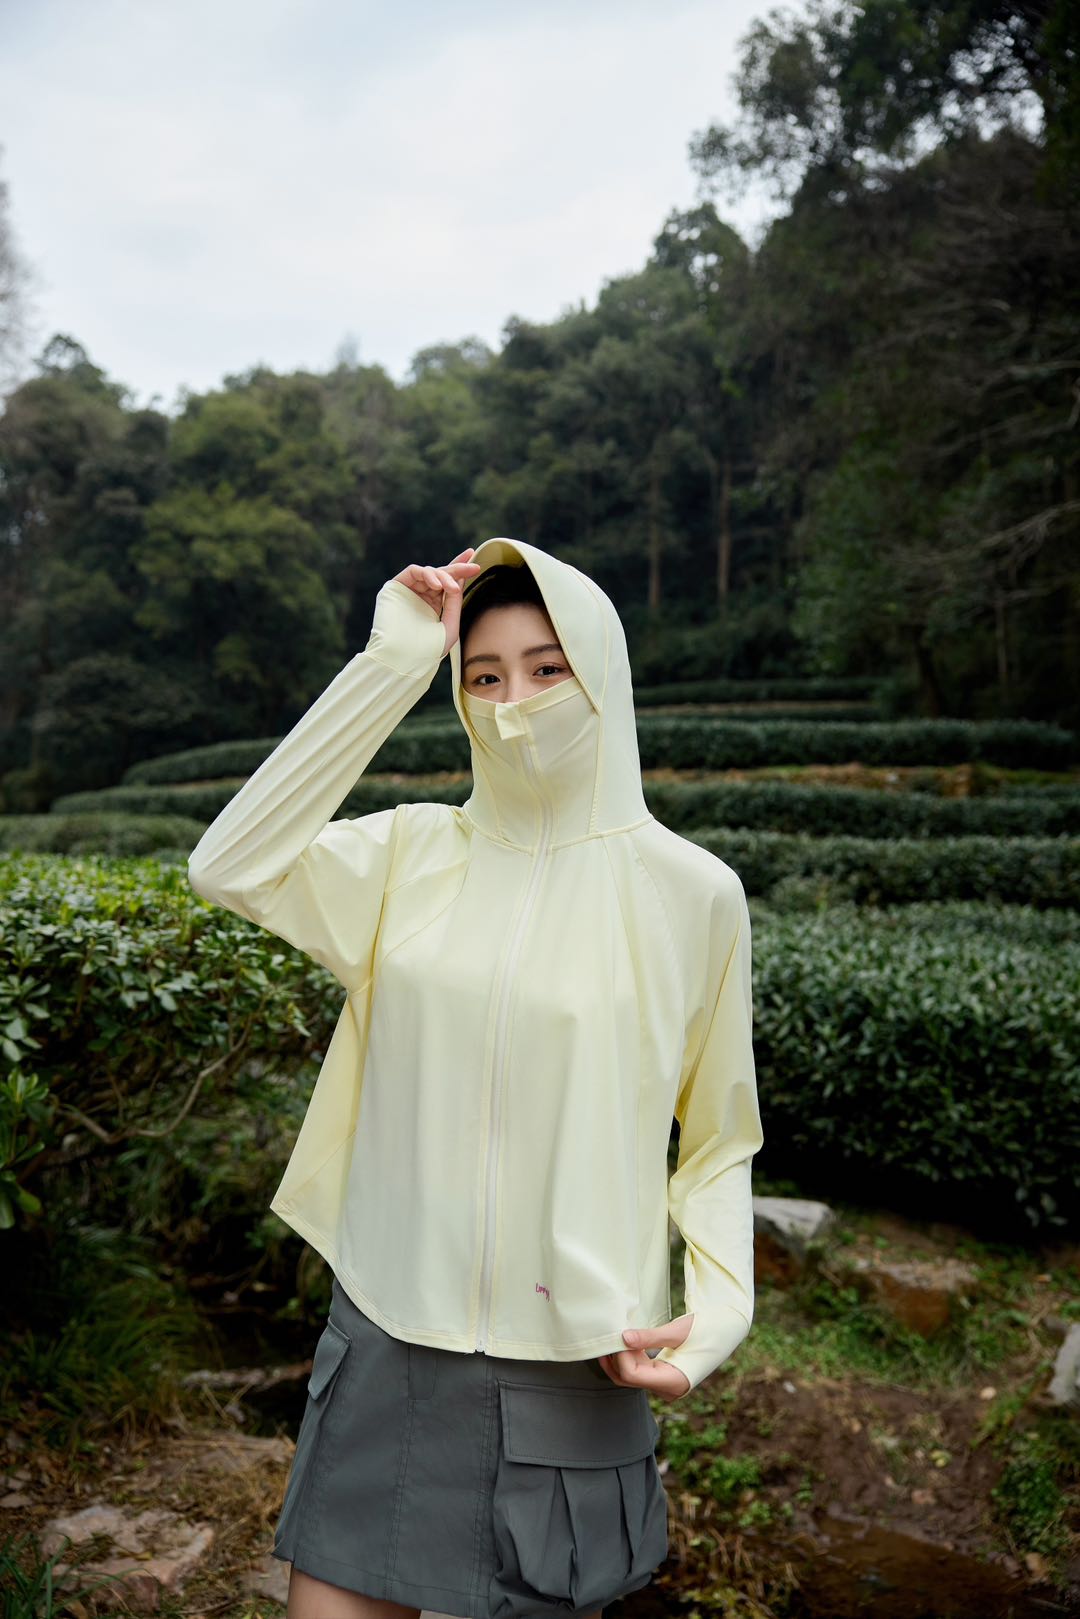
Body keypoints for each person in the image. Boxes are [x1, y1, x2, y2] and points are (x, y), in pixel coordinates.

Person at [186, 539, 764, 1619]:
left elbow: (721, 1136)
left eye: (548, 669)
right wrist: (393, 663)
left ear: (603, 672)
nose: (513, 704)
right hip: (389, 1332)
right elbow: (228, 864)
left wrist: (718, 1314)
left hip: (576, 1360)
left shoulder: (693, 894)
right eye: (483, 676)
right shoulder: (408, 853)